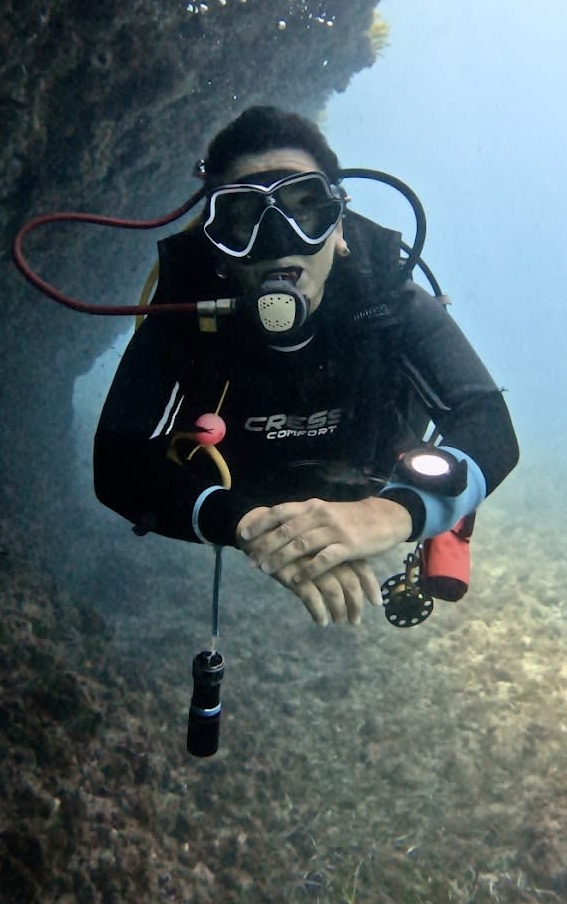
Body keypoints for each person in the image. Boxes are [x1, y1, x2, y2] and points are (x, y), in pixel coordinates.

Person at [93, 105, 518, 626]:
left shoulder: (385, 300)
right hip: (240, 492)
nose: (278, 243)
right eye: (244, 218)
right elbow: (115, 462)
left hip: (375, 477)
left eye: (306, 209)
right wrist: (250, 526)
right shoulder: (188, 315)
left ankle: (439, 513)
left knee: (444, 479)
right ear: (219, 247)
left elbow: (489, 427)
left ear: (339, 226)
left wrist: (388, 513)